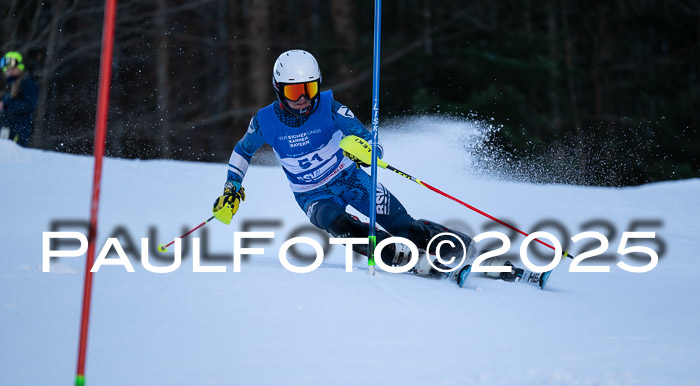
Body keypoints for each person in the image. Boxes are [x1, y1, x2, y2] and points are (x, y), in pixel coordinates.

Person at [213, 49, 548, 288]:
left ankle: (452, 246)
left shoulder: (330, 108)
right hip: (313, 196)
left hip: (350, 178)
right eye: (294, 91)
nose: (303, 99)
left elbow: (368, 140)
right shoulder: (266, 121)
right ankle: (400, 257)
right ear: (279, 90)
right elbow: (242, 152)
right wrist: (232, 187)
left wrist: (366, 150)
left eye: (309, 89)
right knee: (340, 225)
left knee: (403, 226)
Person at [0, 51, 38, 146]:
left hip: (19, 130)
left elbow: (29, 104)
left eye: (12, 68)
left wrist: (5, 106)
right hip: (8, 129)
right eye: (7, 69)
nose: (9, 71)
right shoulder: (10, 85)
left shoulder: (27, 82)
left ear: (19, 67)